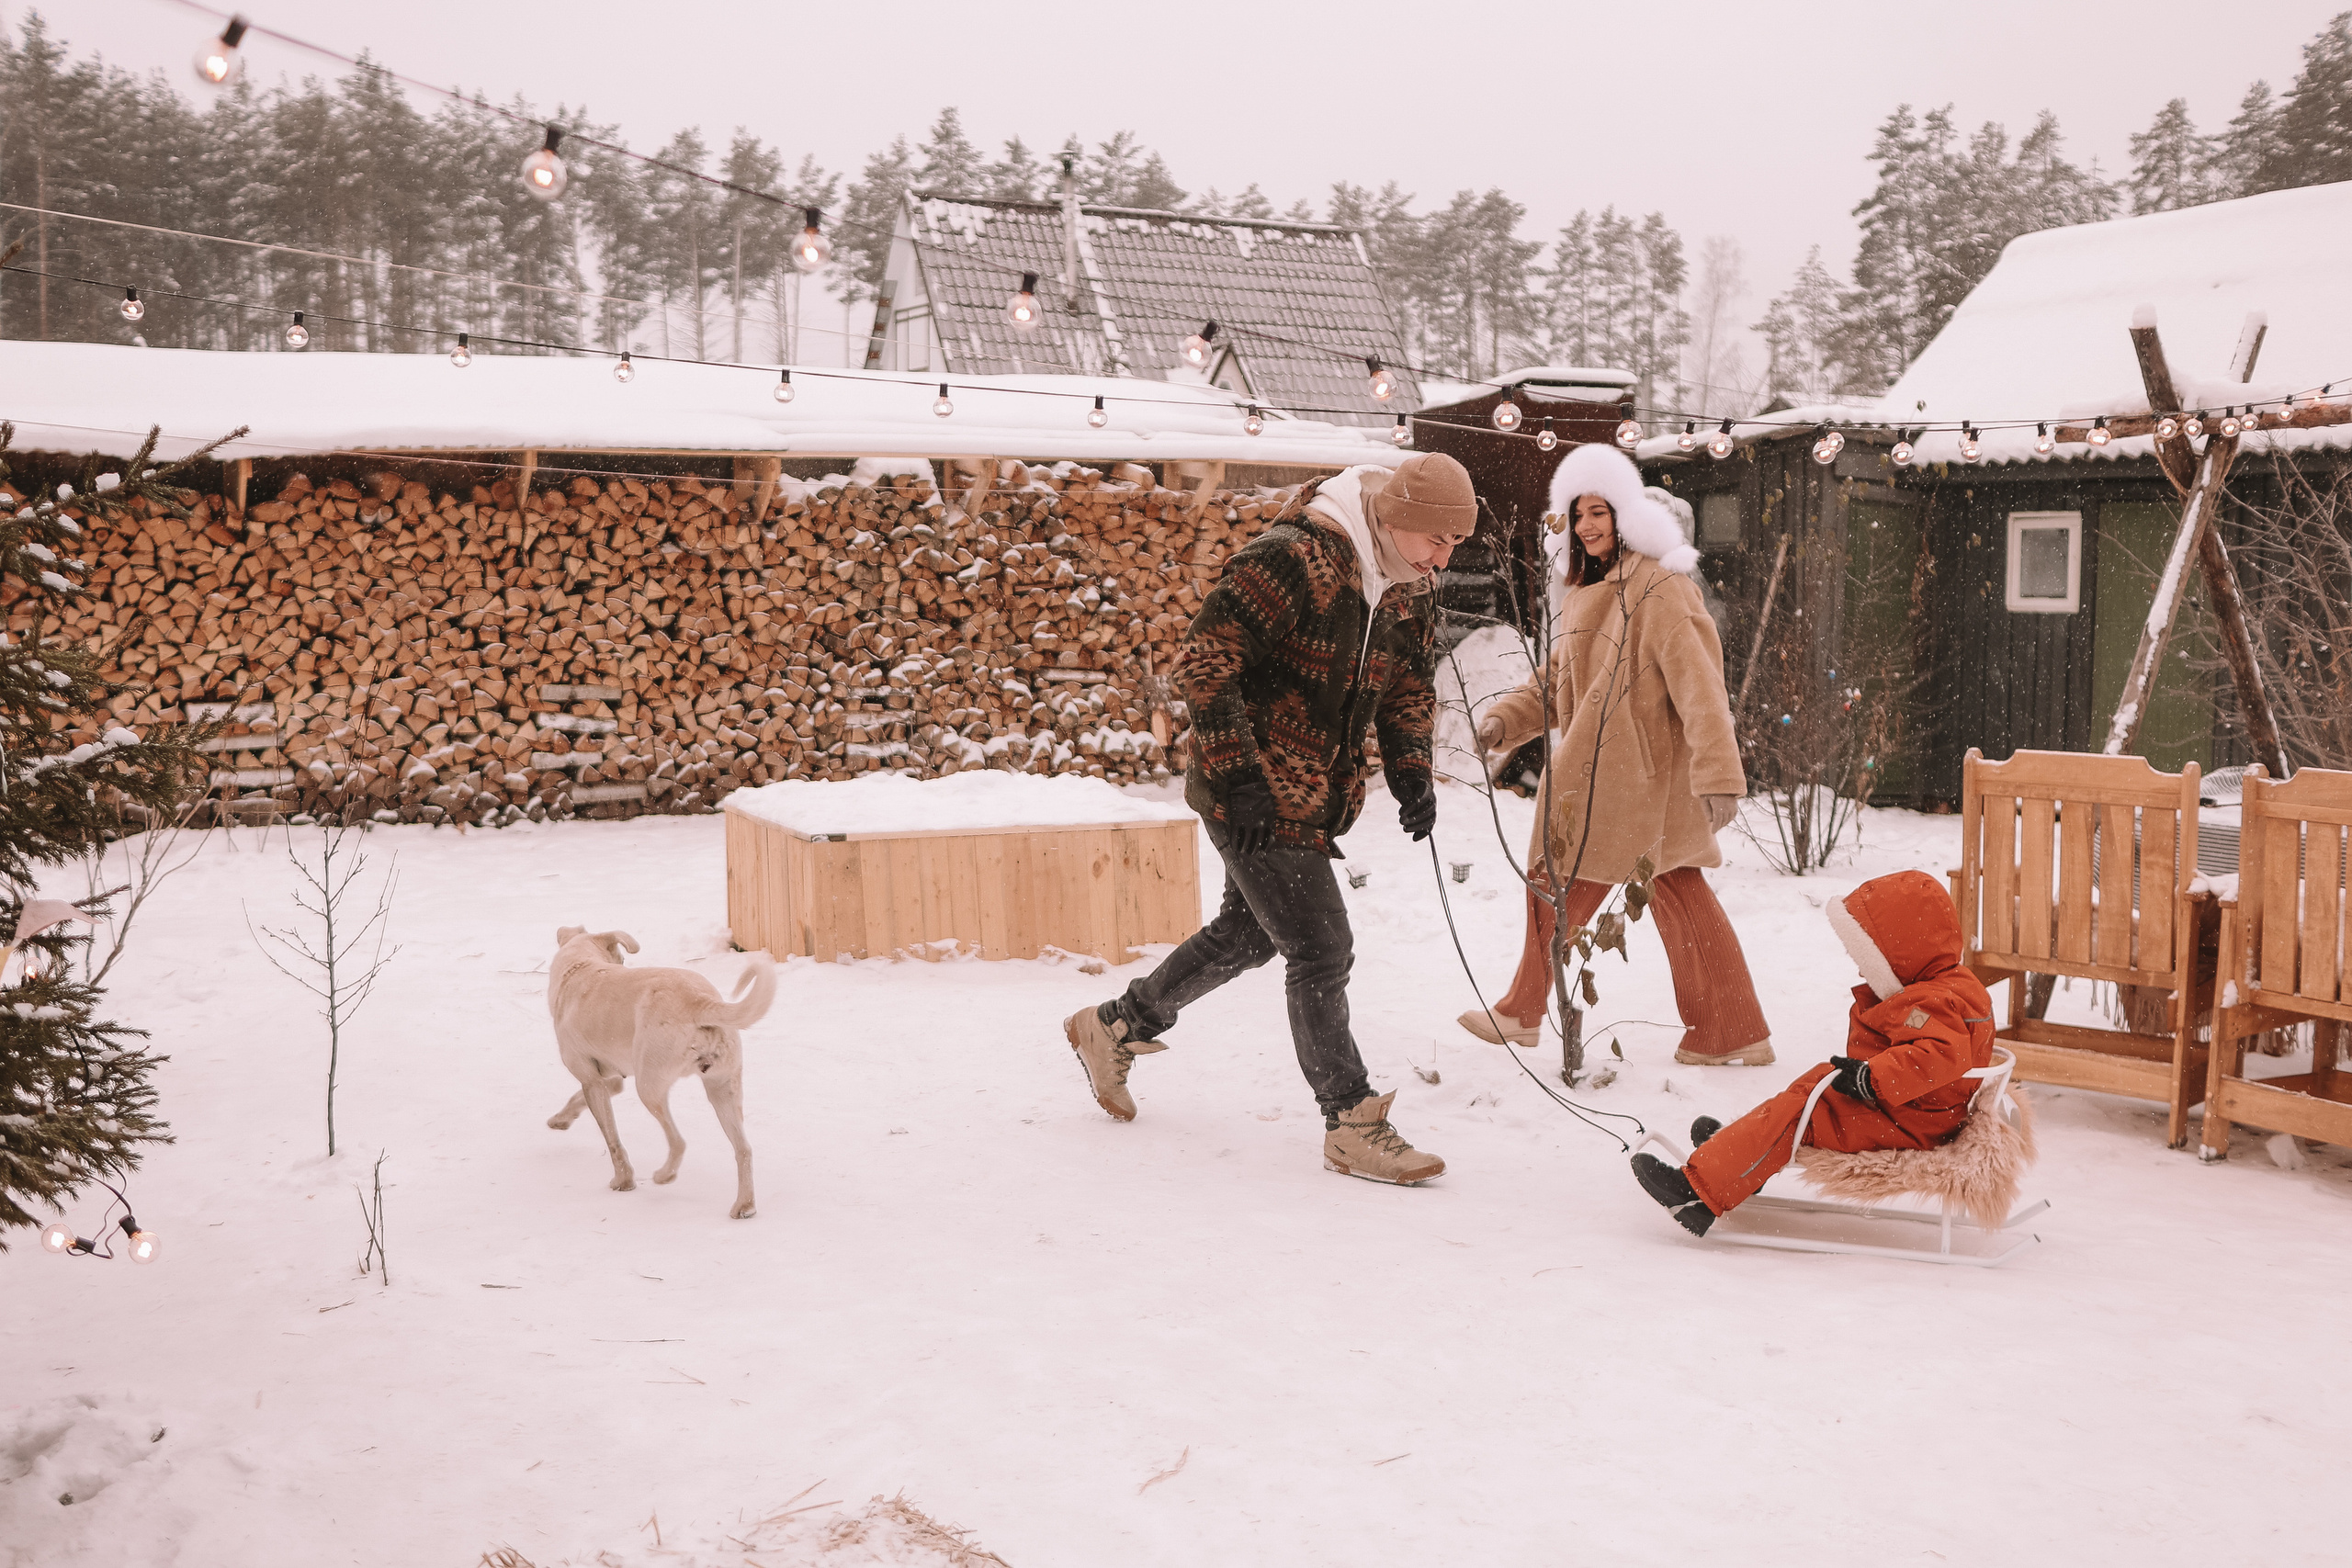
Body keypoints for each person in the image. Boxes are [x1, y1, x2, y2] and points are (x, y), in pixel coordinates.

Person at [1063, 452, 1473, 1185]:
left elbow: (1410, 685)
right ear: (1396, 517)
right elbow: (1204, 659)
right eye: (1437, 539)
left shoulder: (1409, 585)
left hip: (1312, 795)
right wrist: (1239, 773)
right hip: (1248, 788)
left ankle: (1114, 1025)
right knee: (1320, 946)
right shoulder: (1295, 558)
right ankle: (1351, 1120)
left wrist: (1410, 765)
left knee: (1249, 933)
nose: (1444, 558)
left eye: (1455, 544)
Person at [1457, 442, 1772, 1065]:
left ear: (1625, 515)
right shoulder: (1586, 593)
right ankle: (1730, 1027)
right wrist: (1504, 721)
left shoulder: (1661, 587)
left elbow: (1701, 688)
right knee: (1664, 893)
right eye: (1577, 514)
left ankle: (1525, 1008)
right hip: (1602, 775)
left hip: (1641, 780)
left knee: (1563, 884)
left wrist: (1719, 775)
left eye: (1598, 512)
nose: (1586, 525)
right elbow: (1557, 681)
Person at [1631, 869, 1997, 1235]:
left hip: (1910, 1124)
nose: (1861, 969)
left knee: (1801, 1115)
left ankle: (1699, 1193)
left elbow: (1940, 1054)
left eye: (1868, 956)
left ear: (1902, 955)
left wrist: (1871, 1078)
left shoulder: (1929, 1002)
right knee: (1814, 1086)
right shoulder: (1952, 985)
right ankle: (1740, 1157)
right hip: (1917, 1112)